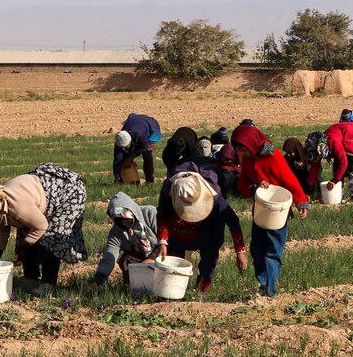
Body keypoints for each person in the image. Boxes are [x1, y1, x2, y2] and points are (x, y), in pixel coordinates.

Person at [0, 163, 88, 295]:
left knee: (51, 237)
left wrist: (22, 249)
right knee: (25, 235)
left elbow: (41, 226)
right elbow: (1, 228)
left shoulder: (17, 207)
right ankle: (31, 280)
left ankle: (48, 284)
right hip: (40, 195)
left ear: (0, 211)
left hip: (66, 192)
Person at [231, 122, 309, 297]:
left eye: (243, 150)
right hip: (260, 210)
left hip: (278, 211)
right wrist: (253, 187)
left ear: (250, 144)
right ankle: (263, 282)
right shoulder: (248, 159)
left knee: (272, 250)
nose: (241, 154)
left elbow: (289, 180)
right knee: (256, 248)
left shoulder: (272, 157)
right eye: (239, 151)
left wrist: (301, 201)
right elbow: (243, 184)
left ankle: (270, 288)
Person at [157, 169, 247, 297]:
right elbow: (162, 216)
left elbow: (232, 220)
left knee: (208, 261)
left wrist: (240, 251)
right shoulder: (169, 191)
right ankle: (174, 293)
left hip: (208, 230)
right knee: (175, 261)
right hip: (178, 231)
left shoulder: (214, 197)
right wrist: (163, 241)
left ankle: (201, 291)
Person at [91, 193, 158, 285]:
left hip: (164, 251)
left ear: (132, 212)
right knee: (125, 260)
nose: (124, 224)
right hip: (142, 257)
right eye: (119, 220)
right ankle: (134, 286)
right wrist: (97, 281)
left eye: (126, 219)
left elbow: (168, 239)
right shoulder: (116, 233)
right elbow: (109, 259)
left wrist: (152, 258)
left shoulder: (150, 213)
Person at [113, 112, 161, 185]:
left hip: (150, 125)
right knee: (123, 158)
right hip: (135, 122)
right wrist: (116, 178)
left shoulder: (140, 135)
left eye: (126, 146)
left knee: (147, 154)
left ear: (130, 140)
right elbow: (117, 159)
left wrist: (131, 158)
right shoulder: (119, 139)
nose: (124, 149)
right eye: (122, 147)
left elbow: (144, 147)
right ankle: (123, 180)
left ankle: (150, 180)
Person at [325, 118, 353, 202]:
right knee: (337, 167)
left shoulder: (332, 141)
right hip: (343, 135)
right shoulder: (321, 143)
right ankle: (339, 195)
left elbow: (344, 162)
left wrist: (335, 180)